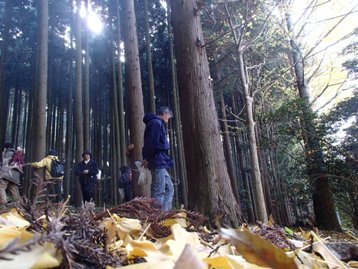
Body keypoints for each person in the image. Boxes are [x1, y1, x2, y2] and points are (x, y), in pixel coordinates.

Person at [142, 106, 174, 210]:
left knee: (169, 189)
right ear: (164, 114)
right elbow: (151, 143)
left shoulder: (157, 123)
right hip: (157, 161)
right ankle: (156, 216)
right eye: (168, 117)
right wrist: (146, 158)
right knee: (158, 191)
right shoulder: (155, 123)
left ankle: (164, 214)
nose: (168, 120)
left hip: (161, 161)